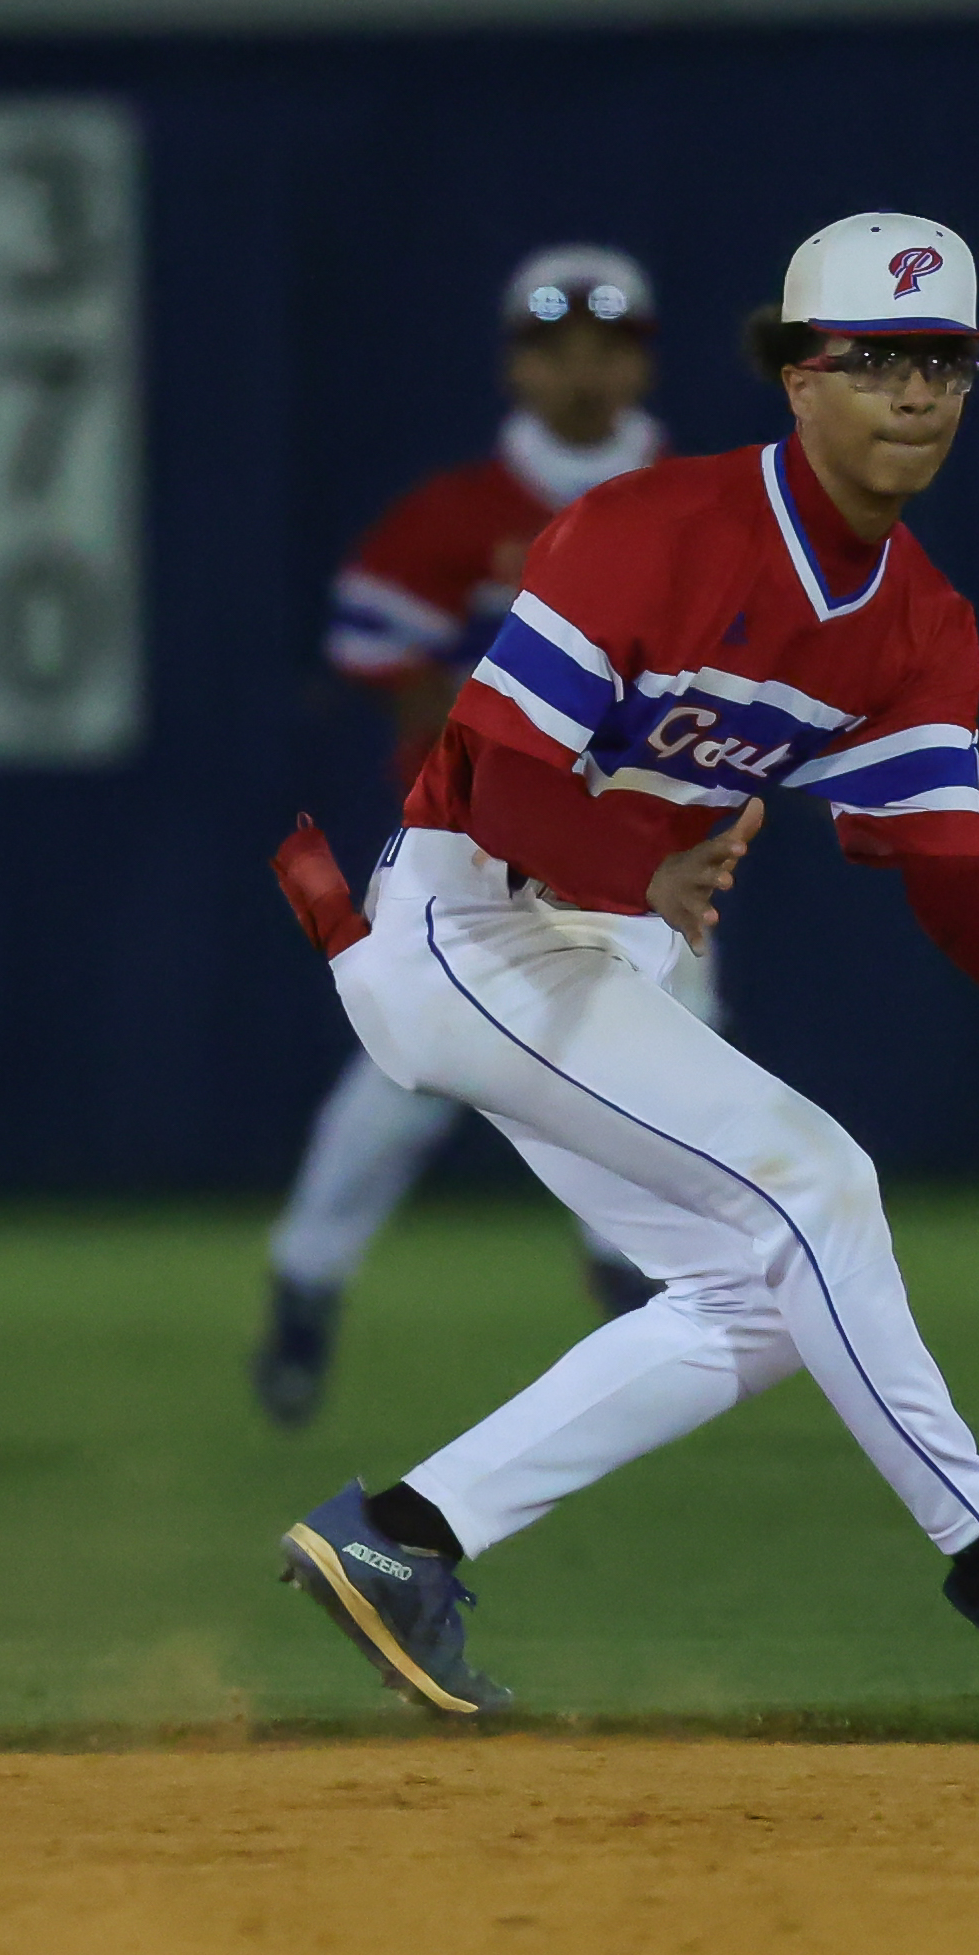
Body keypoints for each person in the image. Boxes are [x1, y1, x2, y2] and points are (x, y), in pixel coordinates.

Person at [269, 214, 979, 1715]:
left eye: (945, 362)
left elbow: (937, 866)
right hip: (465, 926)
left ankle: (401, 1539)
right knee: (818, 1178)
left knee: (753, 1301)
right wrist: (646, 864)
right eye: (876, 359)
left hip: (575, 953)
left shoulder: (918, 623)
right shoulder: (652, 528)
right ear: (797, 377)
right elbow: (493, 778)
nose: (916, 393)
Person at [254, 242, 718, 1430]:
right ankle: (305, 1285)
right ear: (517, 362)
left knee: (664, 1079)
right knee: (401, 1085)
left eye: (603, 350)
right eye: (554, 349)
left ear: (637, 361)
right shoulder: (456, 516)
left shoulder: (701, 501)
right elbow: (373, 655)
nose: (579, 373)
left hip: (635, 854)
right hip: (473, 858)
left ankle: (636, 1294)